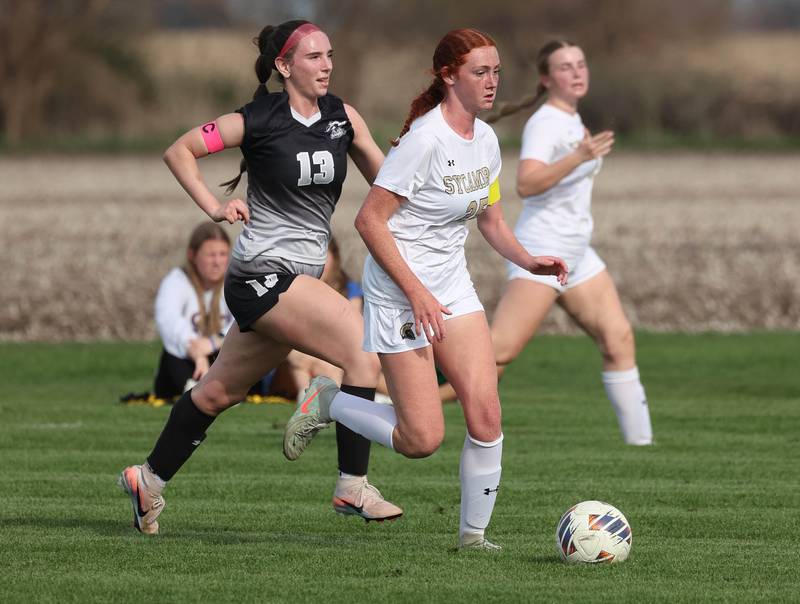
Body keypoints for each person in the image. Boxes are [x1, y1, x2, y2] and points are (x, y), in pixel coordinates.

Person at [283, 28, 568, 551]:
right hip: (399, 292)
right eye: (480, 72)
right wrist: (415, 292)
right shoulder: (424, 140)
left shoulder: (486, 140)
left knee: (486, 414)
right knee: (421, 440)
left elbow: (490, 219)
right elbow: (369, 221)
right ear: (449, 76)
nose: (491, 81)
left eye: (496, 71)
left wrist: (530, 260)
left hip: (452, 288)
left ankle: (473, 539)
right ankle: (329, 402)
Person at [118, 20, 403, 535]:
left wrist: (412, 157)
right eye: (314, 57)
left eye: (329, 55)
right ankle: (352, 485)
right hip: (261, 276)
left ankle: (148, 480)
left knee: (217, 394)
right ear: (284, 66)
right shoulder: (257, 119)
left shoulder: (343, 118)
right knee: (363, 350)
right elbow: (179, 151)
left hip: (295, 281)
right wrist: (214, 206)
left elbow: (389, 186)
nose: (327, 65)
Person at [480, 39, 653, 445]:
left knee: (619, 340)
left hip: (577, 249)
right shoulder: (547, 123)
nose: (576, 72)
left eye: (580, 64)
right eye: (564, 67)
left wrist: (581, 153)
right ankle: (392, 394)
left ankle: (642, 449)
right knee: (497, 354)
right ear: (546, 79)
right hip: (546, 246)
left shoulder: (572, 121)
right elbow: (526, 183)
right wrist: (578, 156)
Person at [152, 222, 233, 400]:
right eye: (211, 255)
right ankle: (192, 389)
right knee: (173, 350)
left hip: (222, 354)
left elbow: (244, 321)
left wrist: (213, 343)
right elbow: (169, 321)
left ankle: (226, 390)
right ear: (192, 255)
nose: (217, 262)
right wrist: (196, 350)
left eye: (223, 254)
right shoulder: (177, 281)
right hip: (190, 359)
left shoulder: (234, 282)